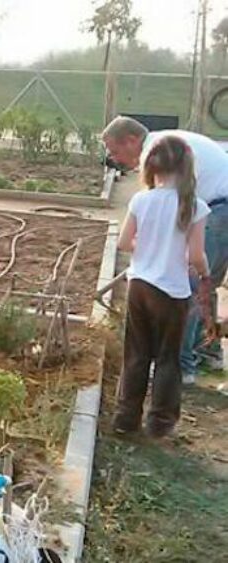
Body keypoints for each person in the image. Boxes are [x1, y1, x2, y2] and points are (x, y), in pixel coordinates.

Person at [102, 116, 228, 383]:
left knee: (189, 287)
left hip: (219, 211)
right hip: (221, 208)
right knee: (206, 284)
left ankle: (182, 368)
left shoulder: (156, 152)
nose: (115, 158)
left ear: (132, 140)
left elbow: (156, 213)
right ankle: (208, 354)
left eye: (115, 151)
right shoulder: (167, 141)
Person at [113, 136, 212, 438]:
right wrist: (205, 274)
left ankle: (125, 419)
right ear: (186, 167)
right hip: (171, 292)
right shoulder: (194, 206)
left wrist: (146, 246)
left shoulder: (142, 199)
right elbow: (195, 256)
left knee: (136, 353)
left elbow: (123, 242)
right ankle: (160, 422)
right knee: (168, 357)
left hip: (139, 285)